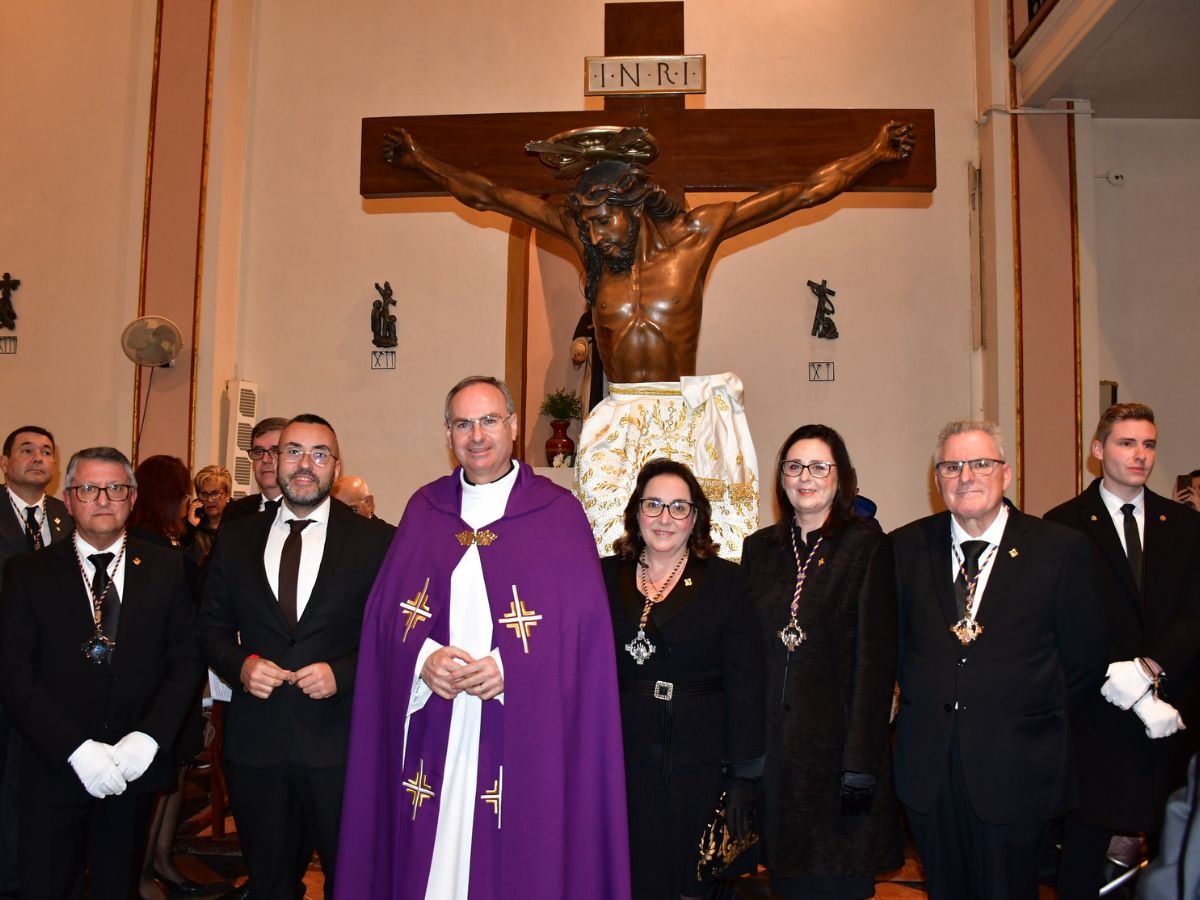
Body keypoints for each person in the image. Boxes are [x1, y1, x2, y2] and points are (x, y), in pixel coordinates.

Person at [385, 124, 914, 558]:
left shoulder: (697, 237)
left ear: (635, 206)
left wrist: (872, 153)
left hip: (687, 415)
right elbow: (490, 196)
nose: (593, 236)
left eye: (604, 221)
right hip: (620, 420)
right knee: (606, 553)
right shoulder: (585, 240)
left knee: (706, 552)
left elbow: (797, 195)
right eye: (586, 224)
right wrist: (421, 162)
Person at [335, 375, 630, 900]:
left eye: (489, 420)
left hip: (522, 726)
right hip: (435, 722)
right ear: (447, 433)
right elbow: (384, 617)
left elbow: (584, 633)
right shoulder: (425, 509)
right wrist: (423, 659)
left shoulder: (558, 514)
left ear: (513, 426)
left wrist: (512, 669)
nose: (477, 435)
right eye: (463, 423)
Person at [891, 420, 1106, 900]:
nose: (966, 476)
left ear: (1005, 474)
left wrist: (1018, 711)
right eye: (952, 466)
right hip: (929, 770)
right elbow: (899, 650)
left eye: (981, 463)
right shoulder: (904, 548)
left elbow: (1084, 661)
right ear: (937, 479)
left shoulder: (1058, 549)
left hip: (1018, 768)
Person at [198, 414, 392, 899]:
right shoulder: (237, 536)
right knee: (269, 885)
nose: (306, 464)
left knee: (350, 883)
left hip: (342, 745)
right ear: (274, 462)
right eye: (293, 452)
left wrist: (343, 673)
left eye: (319, 454)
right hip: (256, 745)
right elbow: (209, 629)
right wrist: (240, 666)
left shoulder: (377, 541)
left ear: (336, 464)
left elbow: (395, 633)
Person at [0, 446, 203, 899]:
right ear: (68, 500)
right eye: (88, 489)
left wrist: (147, 739)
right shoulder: (27, 572)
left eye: (116, 488)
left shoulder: (167, 568)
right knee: (48, 886)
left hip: (134, 765)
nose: (103, 499)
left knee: (118, 886)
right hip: (54, 764)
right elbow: (14, 674)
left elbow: (186, 660)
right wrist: (75, 750)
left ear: (133, 499)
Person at [1044, 403, 1200, 899]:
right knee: (1085, 857)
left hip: (1174, 708)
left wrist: (1151, 669)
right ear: (1098, 450)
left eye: (1148, 444)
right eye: (1126, 443)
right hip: (1098, 715)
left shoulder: (1185, 524)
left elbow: (1197, 610)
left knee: (1176, 849)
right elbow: (1064, 621)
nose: (1140, 455)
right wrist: (1125, 686)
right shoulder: (1062, 525)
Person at [741, 425, 902, 899]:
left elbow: (876, 665)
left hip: (837, 760)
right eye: (794, 466)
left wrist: (862, 764)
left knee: (836, 883)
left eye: (818, 466)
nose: (804, 477)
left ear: (841, 477)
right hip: (776, 757)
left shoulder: (867, 546)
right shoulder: (760, 549)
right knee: (787, 882)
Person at [602, 458, 763, 899]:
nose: (664, 518)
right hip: (622, 759)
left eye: (678, 507)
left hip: (700, 765)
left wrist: (743, 778)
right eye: (653, 505)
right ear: (636, 512)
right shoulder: (602, 575)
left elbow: (746, 681)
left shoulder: (727, 582)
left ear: (695, 518)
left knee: (691, 886)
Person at [124, 454, 209, 899]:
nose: (188, 499)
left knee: (176, 768)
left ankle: (160, 859)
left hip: (181, 671)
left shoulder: (173, 539)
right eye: (182, 490)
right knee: (157, 774)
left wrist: (193, 532)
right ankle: (139, 872)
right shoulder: (143, 541)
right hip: (160, 677)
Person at [0, 425, 73, 896]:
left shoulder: (65, 514)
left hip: (54, 669)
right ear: (5, 461)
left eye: (47, 451)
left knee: (41, 775)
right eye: (26, 450)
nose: (38, 458)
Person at [222, 416, 289, 522]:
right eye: (258, 452)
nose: (265, 459)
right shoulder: (234, 512)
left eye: (275, 451)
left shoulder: (305, 513)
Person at [191, 464, 232, 562]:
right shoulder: (190, 526)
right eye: (204, 494)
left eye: (215, 493)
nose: (209, 499)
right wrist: (190, 528)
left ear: (227, 494)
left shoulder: (239, 522)